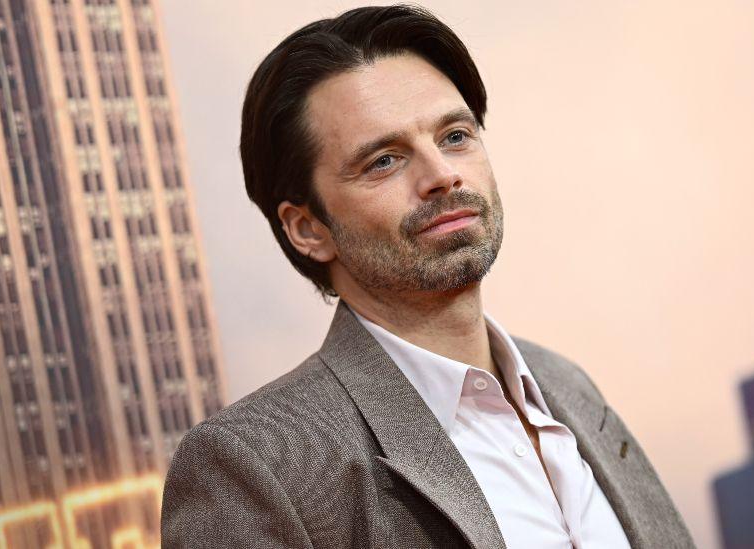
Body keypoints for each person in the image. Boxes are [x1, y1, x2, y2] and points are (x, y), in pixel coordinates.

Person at [160, 4, 693, 548]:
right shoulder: (257, 465)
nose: (442, 174)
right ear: (307, 228)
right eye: (384, 161)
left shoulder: (568, 387)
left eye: (456, 136)